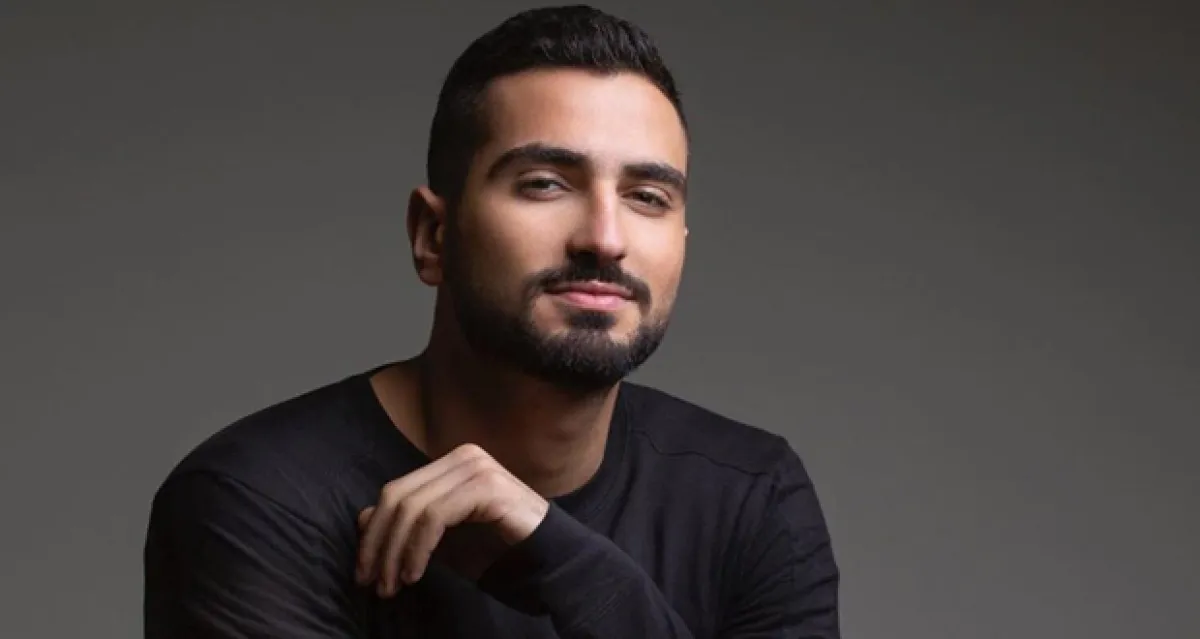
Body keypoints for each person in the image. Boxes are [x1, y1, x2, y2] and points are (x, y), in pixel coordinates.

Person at [142, 5, 840, 637]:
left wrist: (565, 557)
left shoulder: (754, 495)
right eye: (545, 184)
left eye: (648, 196)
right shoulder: (257, 500)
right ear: (433, 236)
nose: (605, 237)